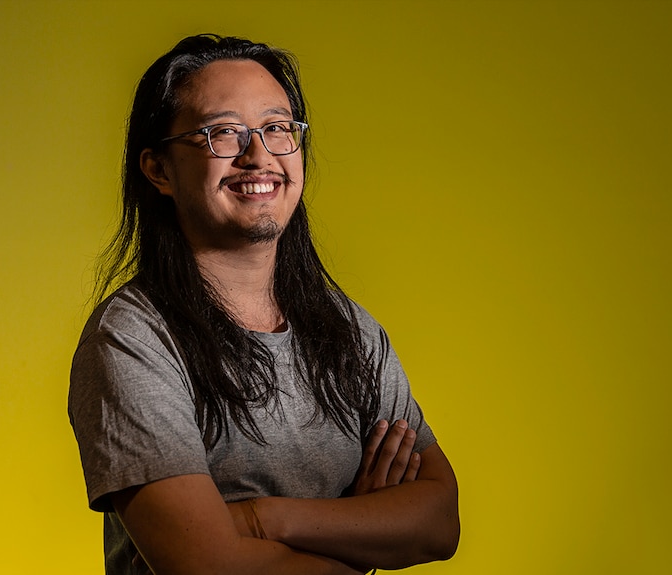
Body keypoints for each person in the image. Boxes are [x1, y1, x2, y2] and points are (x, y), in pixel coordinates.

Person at [68, 34, 459, 575]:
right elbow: (206, 565)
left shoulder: (351, 331)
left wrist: (260, 519)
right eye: (222, 133)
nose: (259, 156)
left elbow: (439, 522)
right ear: (158, 169)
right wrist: (359, 530)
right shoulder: (134, 339)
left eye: (277, 128)